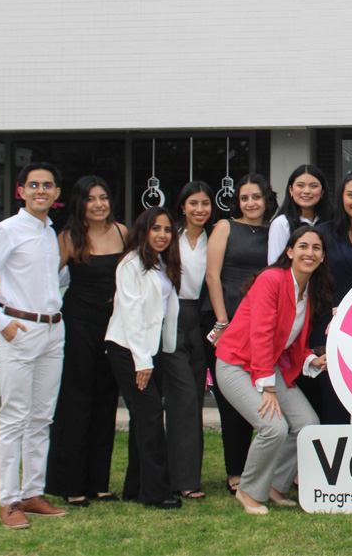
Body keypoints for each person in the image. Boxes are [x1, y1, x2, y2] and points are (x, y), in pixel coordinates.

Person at [0, 162, 70, 528]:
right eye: (34, 185)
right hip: (18, 330)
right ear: (21, 191)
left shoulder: (47, 232)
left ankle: (32, 492)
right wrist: (1, 323)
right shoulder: (6, 231)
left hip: (52, 332)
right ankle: (9, 501)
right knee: (14, 418)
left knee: (42, 417)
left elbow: (52, 281)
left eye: (48, 185)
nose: (41, 190)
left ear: (56, 194)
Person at [215, 226, 332, 515]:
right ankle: (248, 491)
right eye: (303, 246)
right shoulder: (271, 279)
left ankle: (274, 485)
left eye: (316, 248)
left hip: (267, 366)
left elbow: (291, 342)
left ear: (322, 257)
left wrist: (310, 361)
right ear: (290, 252)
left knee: (307, 424)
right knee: (273, 427)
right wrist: (267, 389)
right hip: (235, 364)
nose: (310, 252)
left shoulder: (309, 290)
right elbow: (262, 335)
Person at [45, 175, 126, 508]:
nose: (98, 204)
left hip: (113, 328)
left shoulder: (124, 232)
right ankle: (72, 484)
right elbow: (46, 279)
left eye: (103, 197)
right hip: (77, 325)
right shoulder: (68, 237)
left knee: (107, 403)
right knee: (76, 404)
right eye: (91, 198)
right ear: (80, 203)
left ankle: (99, 484)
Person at [204, 174, 278, 494]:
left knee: (256, 403)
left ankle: (256, 471)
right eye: (245, 197)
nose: (251, 203)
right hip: (225, 324)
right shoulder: (224, 227)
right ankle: (235, 472)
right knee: (230, 404)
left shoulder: (275, 232)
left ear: (266, 199)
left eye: (257, 197)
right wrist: (222, 321)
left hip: (258, 327)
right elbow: (212, 275)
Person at [104, 206, 182, 509]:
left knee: (143, 418)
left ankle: (135, 488)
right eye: (156, 229)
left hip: (150, 350)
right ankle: (156, 492)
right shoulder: (131, 263)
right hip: (128, 349)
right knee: (150, 417)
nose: (162, 235)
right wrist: (143, 362)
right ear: (143, 231)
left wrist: (157, 354)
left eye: (166, 230)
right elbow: (131, 314)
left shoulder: (162, 263)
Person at [304, 172, 352, 424]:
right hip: (330, 334)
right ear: (341, 198)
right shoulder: (322, 234)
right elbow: (313, 288)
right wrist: (318, 335)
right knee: (334, 410)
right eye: (351, 195)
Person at [160, 181, 215, 499]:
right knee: (180, 399)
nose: (199, 209)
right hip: (170, 315)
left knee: (194, 398)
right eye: (193, 203)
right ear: (182, 206)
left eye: (205, 203)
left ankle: (188, 477)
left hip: (201, 319)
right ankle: (177, 478)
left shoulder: (215, 238)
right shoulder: (170, 237)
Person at [267, 164, 332, 264]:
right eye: (300, 185)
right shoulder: (281, 224)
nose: (306, 191)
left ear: (322, 191)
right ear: (291, 190)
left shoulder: (332, 221)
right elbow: (275, 265)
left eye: (313, 186)